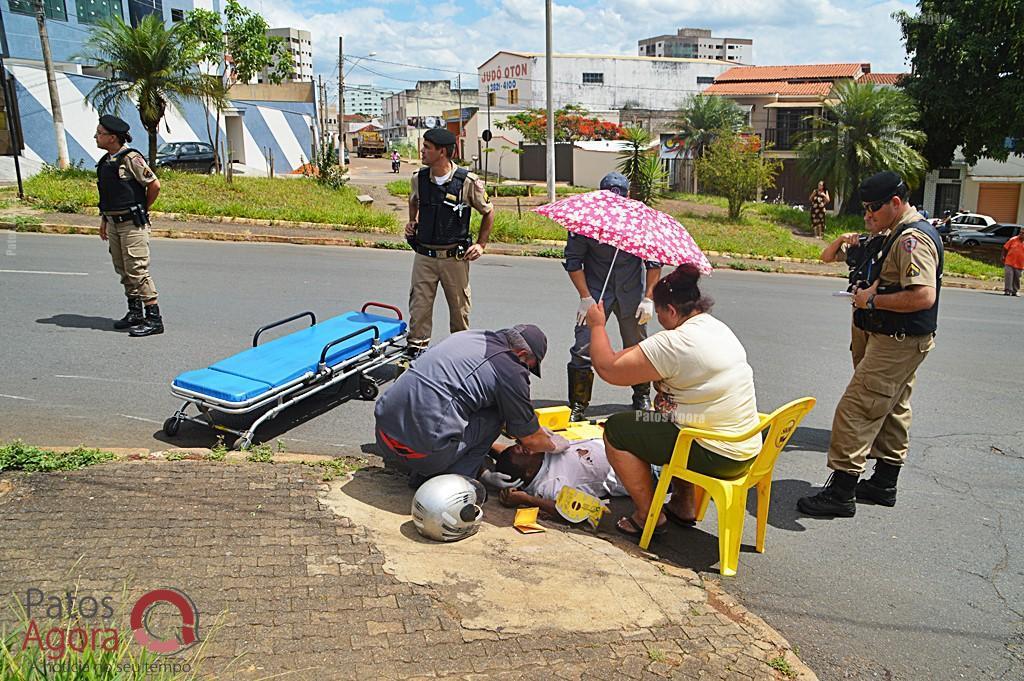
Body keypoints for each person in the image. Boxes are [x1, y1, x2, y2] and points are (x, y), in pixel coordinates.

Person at [798, 171, 943, 517]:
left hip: (897, 341)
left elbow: (923, 295)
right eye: (864, 209)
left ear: (895, 203)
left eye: (872, 209)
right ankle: (883, 483)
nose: (867, 216)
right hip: (900, 340)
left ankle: (841, 491)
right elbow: (833, 256)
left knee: (856, 409)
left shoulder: (913, 239)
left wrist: (872, 302)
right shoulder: (893, 233)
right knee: (893, 407)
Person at [584, 265, 762, 539]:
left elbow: (608, 368)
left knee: (618, 428)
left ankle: (647, 516)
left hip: (715, 453)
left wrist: (597, 325)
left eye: (659, 311)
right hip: (746, 448)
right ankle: (683, 503)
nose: (657, 318)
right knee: (667, 420)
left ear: (671, 311)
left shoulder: (674, 343)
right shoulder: (716, 327)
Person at [374, 324, 567, 487]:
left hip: (384, 435)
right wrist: (554, 444)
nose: (526, 371)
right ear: (522, 354)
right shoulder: (511, 370)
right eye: (529, 366)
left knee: (476, 403)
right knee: (497, 414)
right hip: (423, 456)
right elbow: (531, 439)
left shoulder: (467, 337)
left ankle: (443, 464)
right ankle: (453, 481)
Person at [565, 172, 662, 421]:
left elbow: (654, 263)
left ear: (628, 197)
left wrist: (649, 297)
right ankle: (578, 402)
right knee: (584, 343)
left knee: (636, 344)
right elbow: (574, 262)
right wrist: (584, 296)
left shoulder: (640, 222)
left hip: (632, 292)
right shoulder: (584, 221)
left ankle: (641, 394)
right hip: (596, 291)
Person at [404, 128, 494, 354]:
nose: (422, 151)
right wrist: (412, 221)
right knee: (419, 309)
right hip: (424, 256)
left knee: (459, 311)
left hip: (455, 258)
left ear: (442, 152)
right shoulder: (419, 179)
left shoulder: (467, 182)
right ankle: (416, 353)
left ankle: (459, 355)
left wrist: (481, 245)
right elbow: (413, 201)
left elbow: (488, 211)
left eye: (427, 148)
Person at [94, 115, 163, 337]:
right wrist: (105, 220)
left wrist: (143, 207)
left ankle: (154, 318)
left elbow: (154, 185)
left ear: (112, 137)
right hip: (114, 222)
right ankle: (135, 312)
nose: (96, 137)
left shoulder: (131, 158)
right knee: (123, 269)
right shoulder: (106, 162)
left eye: (100, 133)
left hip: (132, 223)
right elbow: (109, 195)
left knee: (137, 270)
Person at [490, 437, 626, 515]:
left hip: (614, 442)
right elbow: (565, 511)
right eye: (526, 450)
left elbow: (503, 452)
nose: (528, 446)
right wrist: (526, 499)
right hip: (630, 470)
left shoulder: (541, 452)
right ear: (529, 472)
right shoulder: (551, 485)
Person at [1002, 230, 1024, 296]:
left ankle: (1015, 291)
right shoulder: (1013, 239)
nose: (1021, 234)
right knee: (1009, 276)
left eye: (1023, 233)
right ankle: (1007, 290)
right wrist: (1003, 256)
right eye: (1020, 232)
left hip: (1020, 263)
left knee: (1017, 278)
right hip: (1009, 262)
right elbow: (1005, 248)